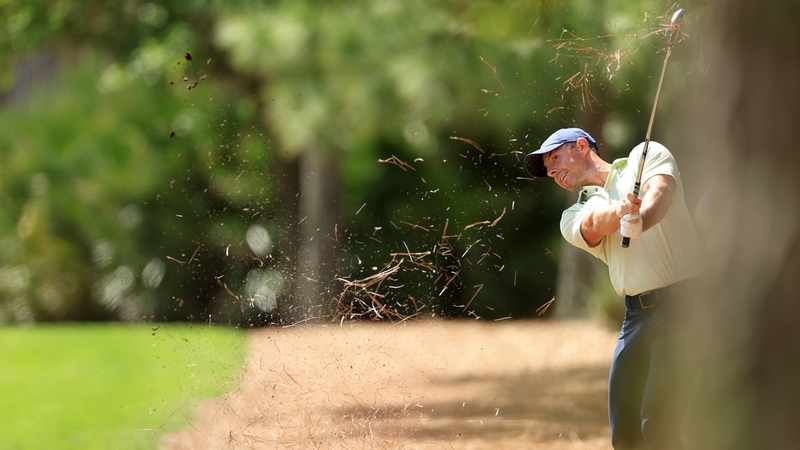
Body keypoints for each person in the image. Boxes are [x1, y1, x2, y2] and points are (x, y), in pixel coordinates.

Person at [524, 128, 702, 449]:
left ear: (581, 147)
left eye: (553, 158)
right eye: (548, 169)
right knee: (625, 433)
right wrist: (622, 211)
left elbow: (660, 191)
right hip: (635, 317)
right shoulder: (573, 212)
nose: (550, 171)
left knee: (658, 422)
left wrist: (642, 220)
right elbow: (592, 226)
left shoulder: (644, 156)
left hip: (681, 307)